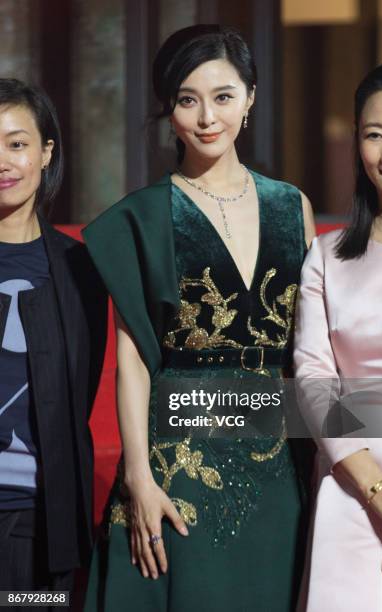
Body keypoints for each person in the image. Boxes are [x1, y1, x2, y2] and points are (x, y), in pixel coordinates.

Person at [83, 25, 315, 612]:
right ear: (170, 110)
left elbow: (309, 352)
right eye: (187, 100)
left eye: (223, 96)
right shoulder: (141, 217)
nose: (207, 117)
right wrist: (139, 477)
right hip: (177, 464)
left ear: (251, 97)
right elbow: (132, 361)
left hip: (277, 461)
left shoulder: (292, 206)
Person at [295, 58, 382, 612]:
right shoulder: (326, 255)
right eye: (374, 134)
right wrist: (377, 491)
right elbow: (314, 380)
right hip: (348, 492)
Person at [0, 79, 107, 608]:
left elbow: (78, 392)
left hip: (44, 521)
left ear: (46, 152)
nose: (3, 161)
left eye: (17, 144)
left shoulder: (79, 268)